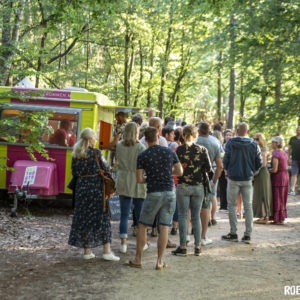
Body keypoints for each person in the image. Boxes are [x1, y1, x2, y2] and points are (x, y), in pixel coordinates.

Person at [126, 127, 183, 270]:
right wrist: (168, 173)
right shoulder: (169, 151)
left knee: (143, 226)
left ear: (145, 139)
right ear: (158, 136)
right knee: (164, 227)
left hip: (154, 193)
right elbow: (180, 171)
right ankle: (159, 261)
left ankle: (138, 259)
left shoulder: (143, 155)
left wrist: (150, 178)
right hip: (170, 192)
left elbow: (139, 179)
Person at [68, 128, 119, 261]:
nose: (95, 140)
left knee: (85, 218)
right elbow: (106, 168)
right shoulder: (96, 152)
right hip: (96, 189)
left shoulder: (76, 154)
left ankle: (87, 251)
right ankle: (107, 251)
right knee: (103, 218)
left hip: (81, 189)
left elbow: (74, 172)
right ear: (91, 139)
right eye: (94, 138)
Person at [172, 125, 212, 257]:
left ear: (183, 135)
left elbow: (175, 167)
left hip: (183, 185)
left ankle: (183, 246)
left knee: (183, 216)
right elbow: (209, 170)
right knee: (196, 217)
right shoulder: (202, 150)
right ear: (196, 135)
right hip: (198, 186)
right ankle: (198, 246)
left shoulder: (179, 150)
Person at [222, 123, 262, 244]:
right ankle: (248, 234)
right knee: (248, 206)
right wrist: (252, 172)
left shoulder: (230, 143)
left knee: (232, 206)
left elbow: (226, 159)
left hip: (233, 177)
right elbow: (259, 162)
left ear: (237, 130)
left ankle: (233, 233)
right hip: (247, 178)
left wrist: (228, 169)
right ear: (248, 131)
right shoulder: (254, 144)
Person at [116, 122, 147, 253]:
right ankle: (141, 243)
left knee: (124, 214)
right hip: (137, 179)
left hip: (123, 179)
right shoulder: (141, 147)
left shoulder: (119, 145)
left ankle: (123, 244)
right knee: (139, 215)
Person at [197, 122, 222, 246]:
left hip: (191, 179)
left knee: (189, 208)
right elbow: (220, 166)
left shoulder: (193, 141)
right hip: (207, 180)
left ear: (198, 130)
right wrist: (214, 181)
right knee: (205, 207)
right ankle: (202, 237)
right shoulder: (214, 144)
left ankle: (185, 237)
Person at [252, 133, 273, 224]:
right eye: (254, 139)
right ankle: (262, 215)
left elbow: (264, 164)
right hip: (259, 174)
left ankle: (265, 216)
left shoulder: (263, 149)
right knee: (259, 194)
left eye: (257, 139)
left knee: (263, 194)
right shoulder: (257, 148)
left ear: (261, 140)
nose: (255, 141)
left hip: (262, 173)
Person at [269, 136, 289, 224]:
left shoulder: (276, 154)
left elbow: (274, 169)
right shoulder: (284, 153)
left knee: (277, 197)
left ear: (276, 143)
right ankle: (281, 217)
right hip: (285, 176)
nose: (271, 144)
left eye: (272, 142)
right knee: (282, 197)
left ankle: (277, 218)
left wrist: (267, 170)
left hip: (278, 177)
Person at [219, 129, 233, 211]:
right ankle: (223, 205)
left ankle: (230, 205)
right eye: (227, 135)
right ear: (224, 136)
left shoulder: (233, 146)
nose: (228, 136)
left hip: (230, 169)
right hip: (222, 169)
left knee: (230, 188)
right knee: (222, 187)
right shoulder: (222, 146)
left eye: (230, 135)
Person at [288, 126, 300, 195]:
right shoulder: (292, 139)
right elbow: (289, 149)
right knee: (294, 174)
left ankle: (299, 189)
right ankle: (292, 190)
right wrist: (289, 158)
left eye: (299, 130)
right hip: (294, 159)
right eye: (297, 130)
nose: (298, 131)